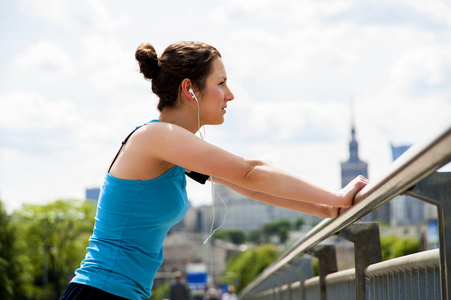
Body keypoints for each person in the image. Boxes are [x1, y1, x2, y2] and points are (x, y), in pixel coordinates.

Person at [60, 41, 368, 300]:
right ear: (189, 90)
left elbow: (252, 189)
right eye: (220, 83)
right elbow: (250, 172)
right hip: (100, 292)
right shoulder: (157, 137)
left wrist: (326, 208)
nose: (230, 95)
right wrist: (337, 195)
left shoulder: (173, 148)